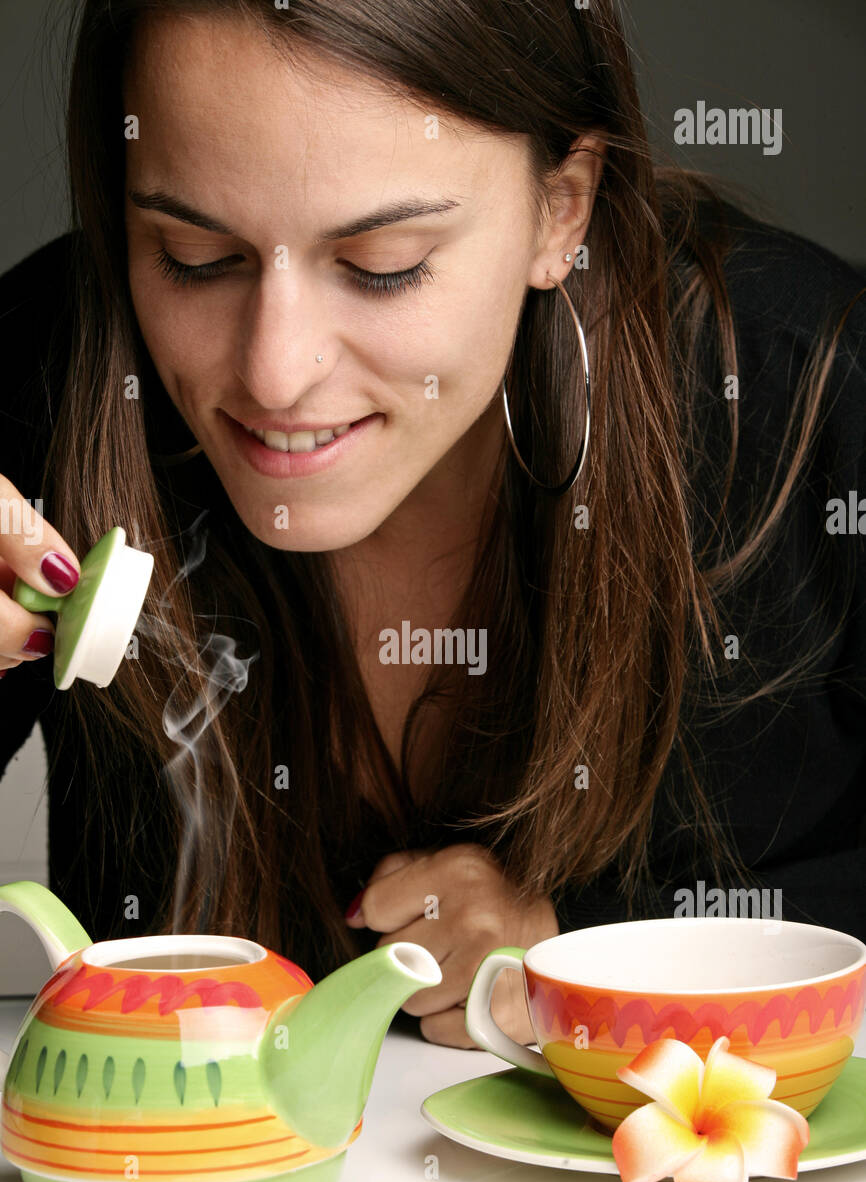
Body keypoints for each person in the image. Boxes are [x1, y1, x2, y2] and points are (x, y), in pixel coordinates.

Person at [0, 0, 863, 1051]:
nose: (276, 371)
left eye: (383, 262)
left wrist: (580, 945)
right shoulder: (54, 370)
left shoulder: (796, 392)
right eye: (193, 256)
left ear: (560, 209)